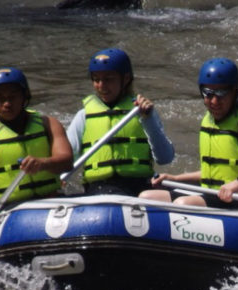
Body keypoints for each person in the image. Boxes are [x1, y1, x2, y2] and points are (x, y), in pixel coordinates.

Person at [140, 57, 238, 207]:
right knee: (147, 196)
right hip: (215, 197)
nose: (214, 101)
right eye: (208, 93)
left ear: (235, 91)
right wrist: (176, 179)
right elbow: (215, 174)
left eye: (221, 93)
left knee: (184, 203)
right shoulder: (209, 120)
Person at [0, 67, 73, 234]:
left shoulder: (48, 124)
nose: (6, 104)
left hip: (50, 205)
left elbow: (66, 161)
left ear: (25, 97)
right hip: (7, 213)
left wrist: (44, 163)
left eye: (13, 97)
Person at [66, 48, 174, 196]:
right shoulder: (83, 116)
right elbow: (65, 160)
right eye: (96, 79)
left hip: (139, 186)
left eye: (109, 79)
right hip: (99, 188)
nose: (101, 85)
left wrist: (148, 120)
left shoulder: (143, 112)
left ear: (126, 78)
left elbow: (165, 158)